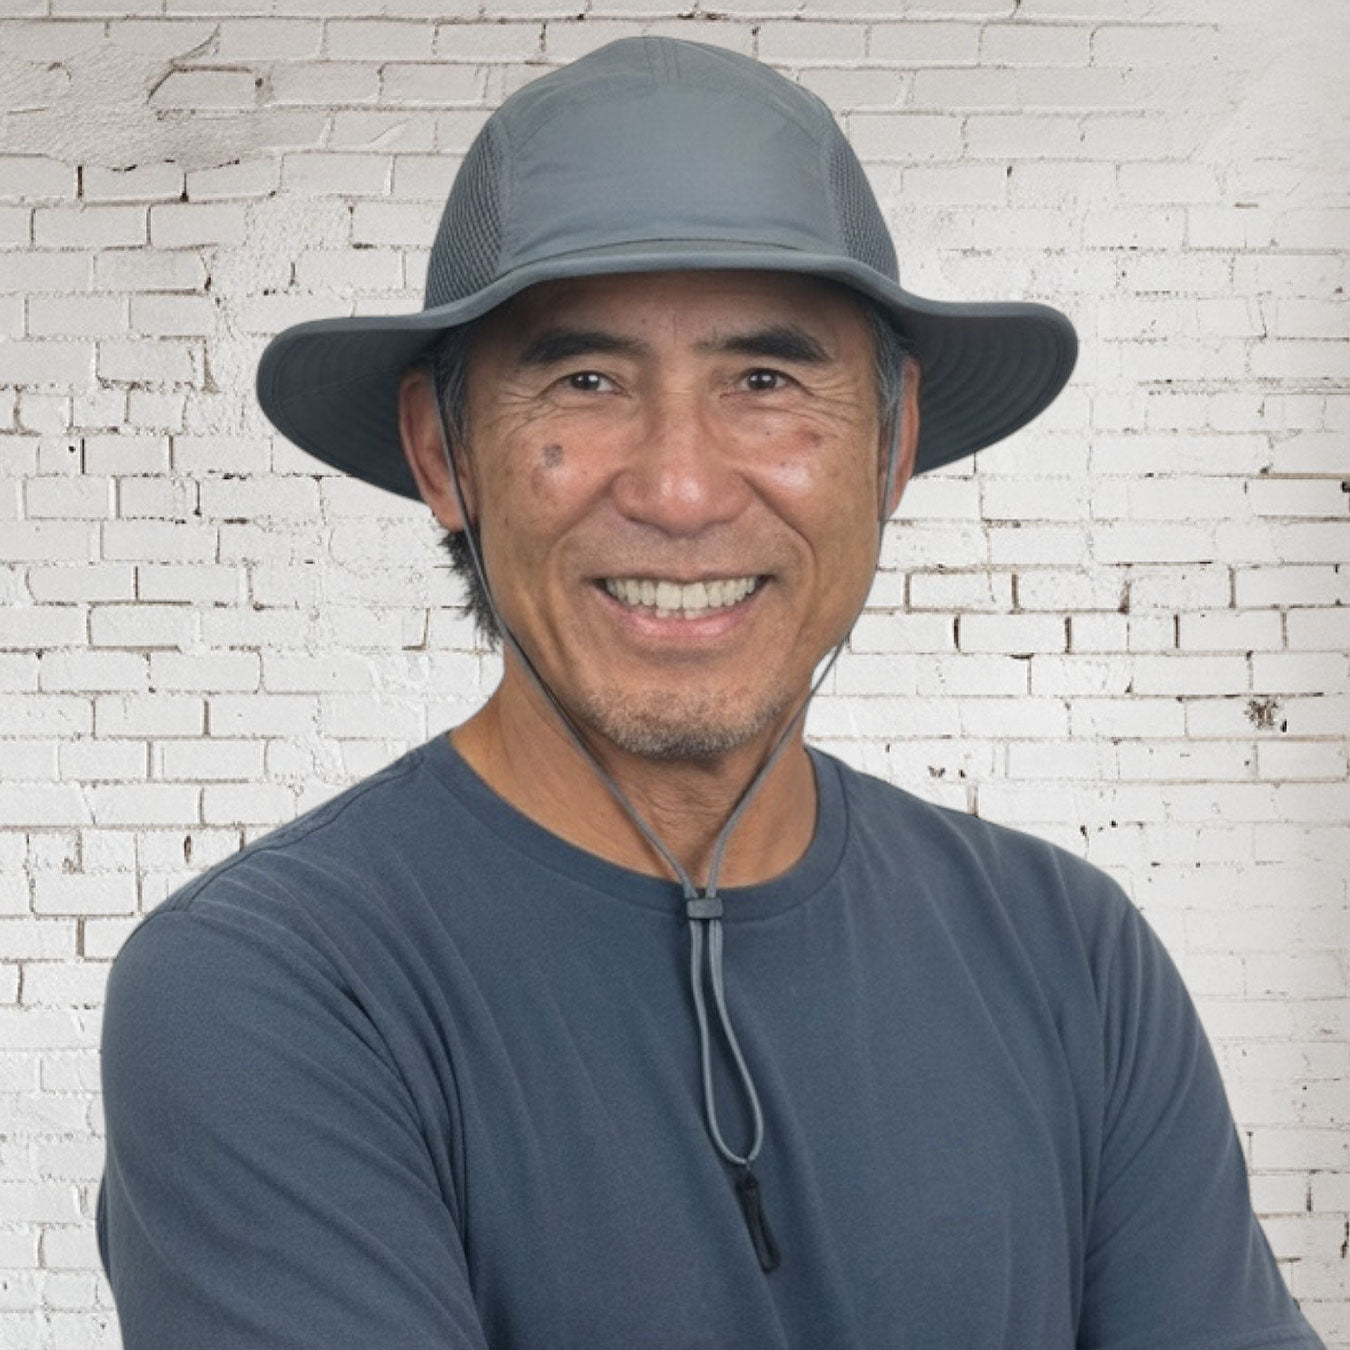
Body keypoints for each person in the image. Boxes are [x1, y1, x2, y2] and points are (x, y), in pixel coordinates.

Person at [96, 37, 1324, 1350]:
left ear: (892, 442)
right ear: (441, 454)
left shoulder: (1068, 953)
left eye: (765, 380)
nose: (678, 489)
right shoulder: (270, 985)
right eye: (584, 380)